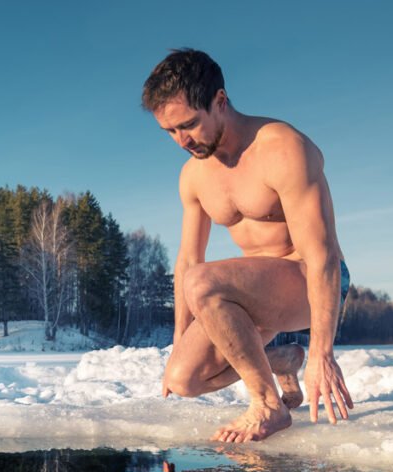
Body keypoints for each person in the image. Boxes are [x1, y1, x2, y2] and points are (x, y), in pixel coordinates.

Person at [142, 48, 353, 442]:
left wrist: (323, 352)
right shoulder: (192, 176)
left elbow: (322, 254)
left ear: (219, 101)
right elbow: (188, 258)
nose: (181, 140)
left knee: (205, 282)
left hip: (313, 280)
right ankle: (281, 359)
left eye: (188, 124)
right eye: (169, 131)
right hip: (253, 292)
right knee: (185, 378)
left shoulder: (281, 147)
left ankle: (267, 404)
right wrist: (179, 339)